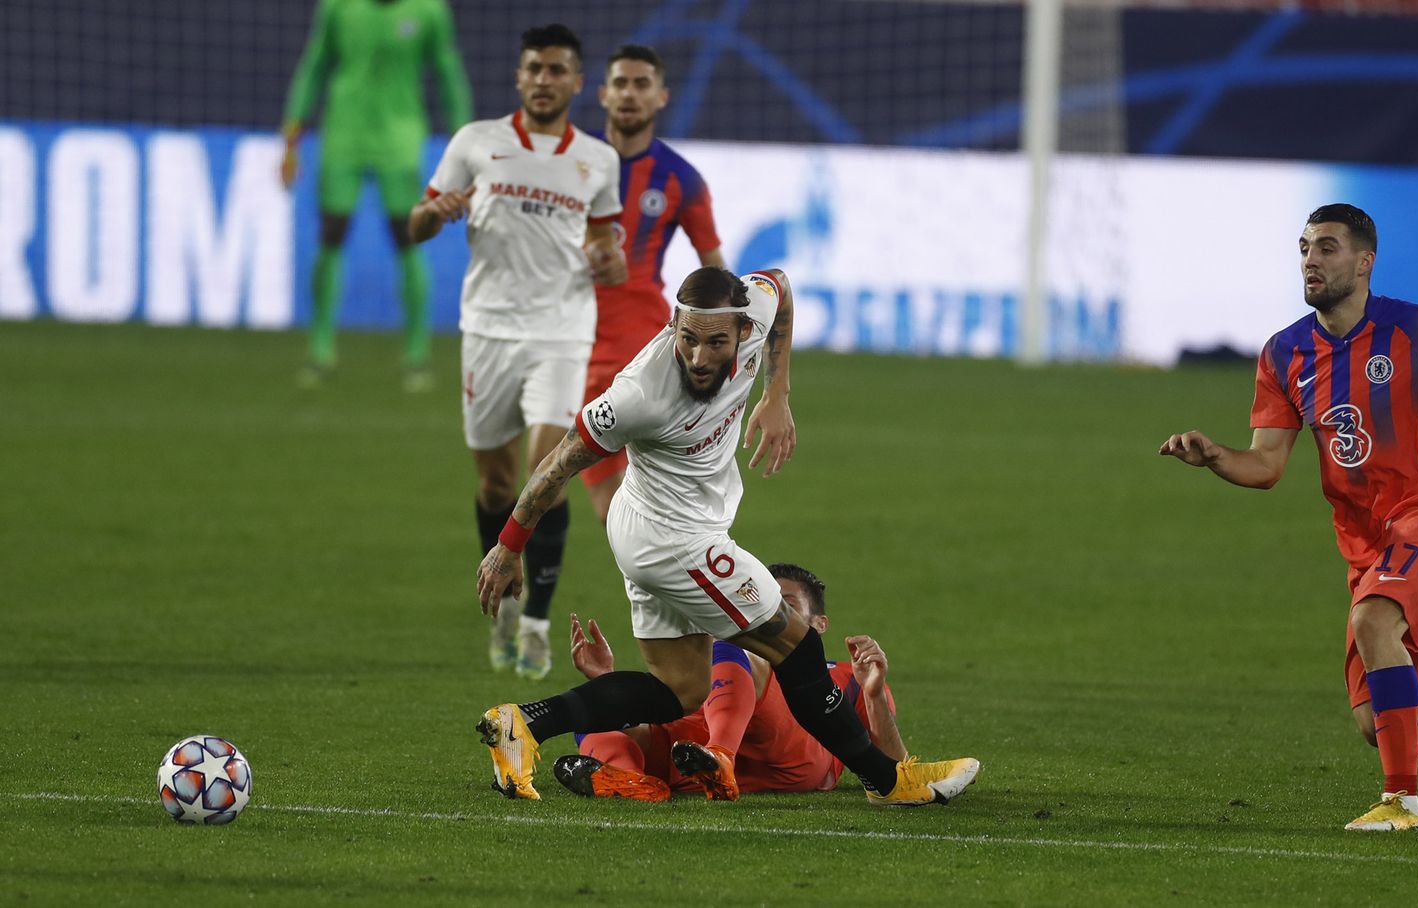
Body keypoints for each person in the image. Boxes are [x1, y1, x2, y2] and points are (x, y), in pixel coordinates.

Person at [472, 266, 980, 807]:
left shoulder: (756, 312)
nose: (696, 356)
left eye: (714, 342)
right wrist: (509, 545)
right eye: (686, 338)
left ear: (742, 331)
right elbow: (559, 462)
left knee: (680, 690)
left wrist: (777, 392)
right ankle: (888, 780)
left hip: (663, 526)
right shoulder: (637, 394)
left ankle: (523, 723)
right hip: (671, 538)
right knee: (798, 645)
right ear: (673, 324)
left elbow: (780, 284)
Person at [1159, 203, 1418, 832]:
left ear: (1363, 261)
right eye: (1303, 248)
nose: (1310, 260)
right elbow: (1266, 465)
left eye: (1326, 247)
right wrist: (1215, 456)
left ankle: (1401, 804)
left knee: (1373, 620)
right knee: (1374, 722)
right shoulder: (1284, 353)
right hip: (1367, 544)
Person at [410, 24, 627, 679]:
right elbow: (415, 226)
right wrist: (437, 212)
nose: (543, 79)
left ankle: (536, 622)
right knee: (495, 483)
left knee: (546, 471)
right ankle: (504, 599)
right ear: (518, 76)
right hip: (487, 331)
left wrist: (609, 260)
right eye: (534, 67)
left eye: (557, 70)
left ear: (575, 82)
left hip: (561, 332)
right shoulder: (476, 143)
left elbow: (608, 250)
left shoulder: (597, 160)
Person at [550, 562, 907, 801]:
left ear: (819, 624)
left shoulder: (845, 676)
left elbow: (896, 769)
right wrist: (608, 688)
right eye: (768, 605)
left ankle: (720, 754)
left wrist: (873, 695)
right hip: (698, 751)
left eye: (786, 606)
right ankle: (631, 782)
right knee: (593, 719)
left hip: (794, 753)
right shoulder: (721, 664)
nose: (773, 617)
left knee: (730, 646)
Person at [280, 0, 473, 390]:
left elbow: (448, 73)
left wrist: (465, 139)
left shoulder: (428, 11)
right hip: (343, 135)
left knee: (408, 239)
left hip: (399, 140)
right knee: (331, 235)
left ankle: (416, 354)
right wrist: (291, 137)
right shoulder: (337, 7)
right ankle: (320, 350)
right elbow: (315, 65)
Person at [582, 44, 727, 525]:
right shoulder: (572, 166)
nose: (629, 93)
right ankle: (536, 600)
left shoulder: (681, 180)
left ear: (661, 96)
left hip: (639, 343)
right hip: (567, 340)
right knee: (589, 491)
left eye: (641, 83)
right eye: (620, 83)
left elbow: (717, 276)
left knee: (644, 496)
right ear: (603, 93)